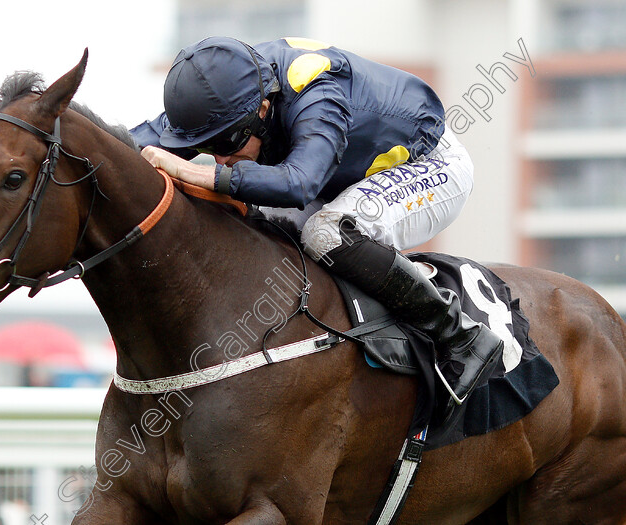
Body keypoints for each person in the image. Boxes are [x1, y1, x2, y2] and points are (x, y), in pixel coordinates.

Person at [132, 36, 504, 413]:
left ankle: (459, 336)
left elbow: (299, 183)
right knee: (258, 225)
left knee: (325, 233)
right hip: (342, 173)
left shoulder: (317, 93)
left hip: (429, 164)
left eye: (228, 141)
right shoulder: (223, 96)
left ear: (263, 109)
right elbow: (122, 146)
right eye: (207, 144)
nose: (221, 157)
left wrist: (194, 171)